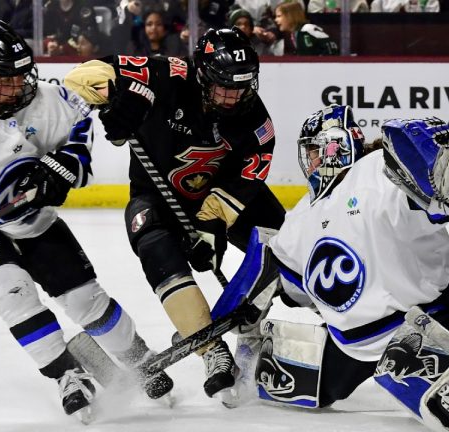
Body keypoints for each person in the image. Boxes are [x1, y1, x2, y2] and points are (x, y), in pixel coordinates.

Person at [0, 19, 173, 419]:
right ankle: (67, 374)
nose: (18, 86)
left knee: (86, 299)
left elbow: (79, 127)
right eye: (4, 80)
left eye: (21, 75)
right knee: (13, 291)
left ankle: (139, 357)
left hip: (36, 222)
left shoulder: (46, 100)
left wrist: (64, 165)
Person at [222, 105, 449, 431]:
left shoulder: (380, 172)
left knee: (415, 375)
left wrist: (433, 161)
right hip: (351, 344)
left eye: (317, 150)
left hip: (422, 318)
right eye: (309, 152)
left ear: (338, 146)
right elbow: (282, 273)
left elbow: (444, 203)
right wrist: (246, 312)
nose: (313, 160)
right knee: (281, 381)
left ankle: (445, 381)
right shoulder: (301, 217)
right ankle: (256, 360)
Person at [63, 27, 286, 399]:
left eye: (241, 87)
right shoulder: (167, 74)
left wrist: (209, 230)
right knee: (155, 248)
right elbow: (81, 76)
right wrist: (116, 101)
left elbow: (239, 188)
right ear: (201, 75)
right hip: (156, 198)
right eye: (222, 87)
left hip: (217, 200)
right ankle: (211, 348)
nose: (232, 97)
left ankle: (252, 325)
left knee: (282, 245)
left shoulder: (258, 127)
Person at [273, 1, 338, 55]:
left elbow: (331, 48)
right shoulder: (295, 33)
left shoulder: (307, 29)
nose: (276, 20)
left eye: (279, 16)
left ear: (290, 16)